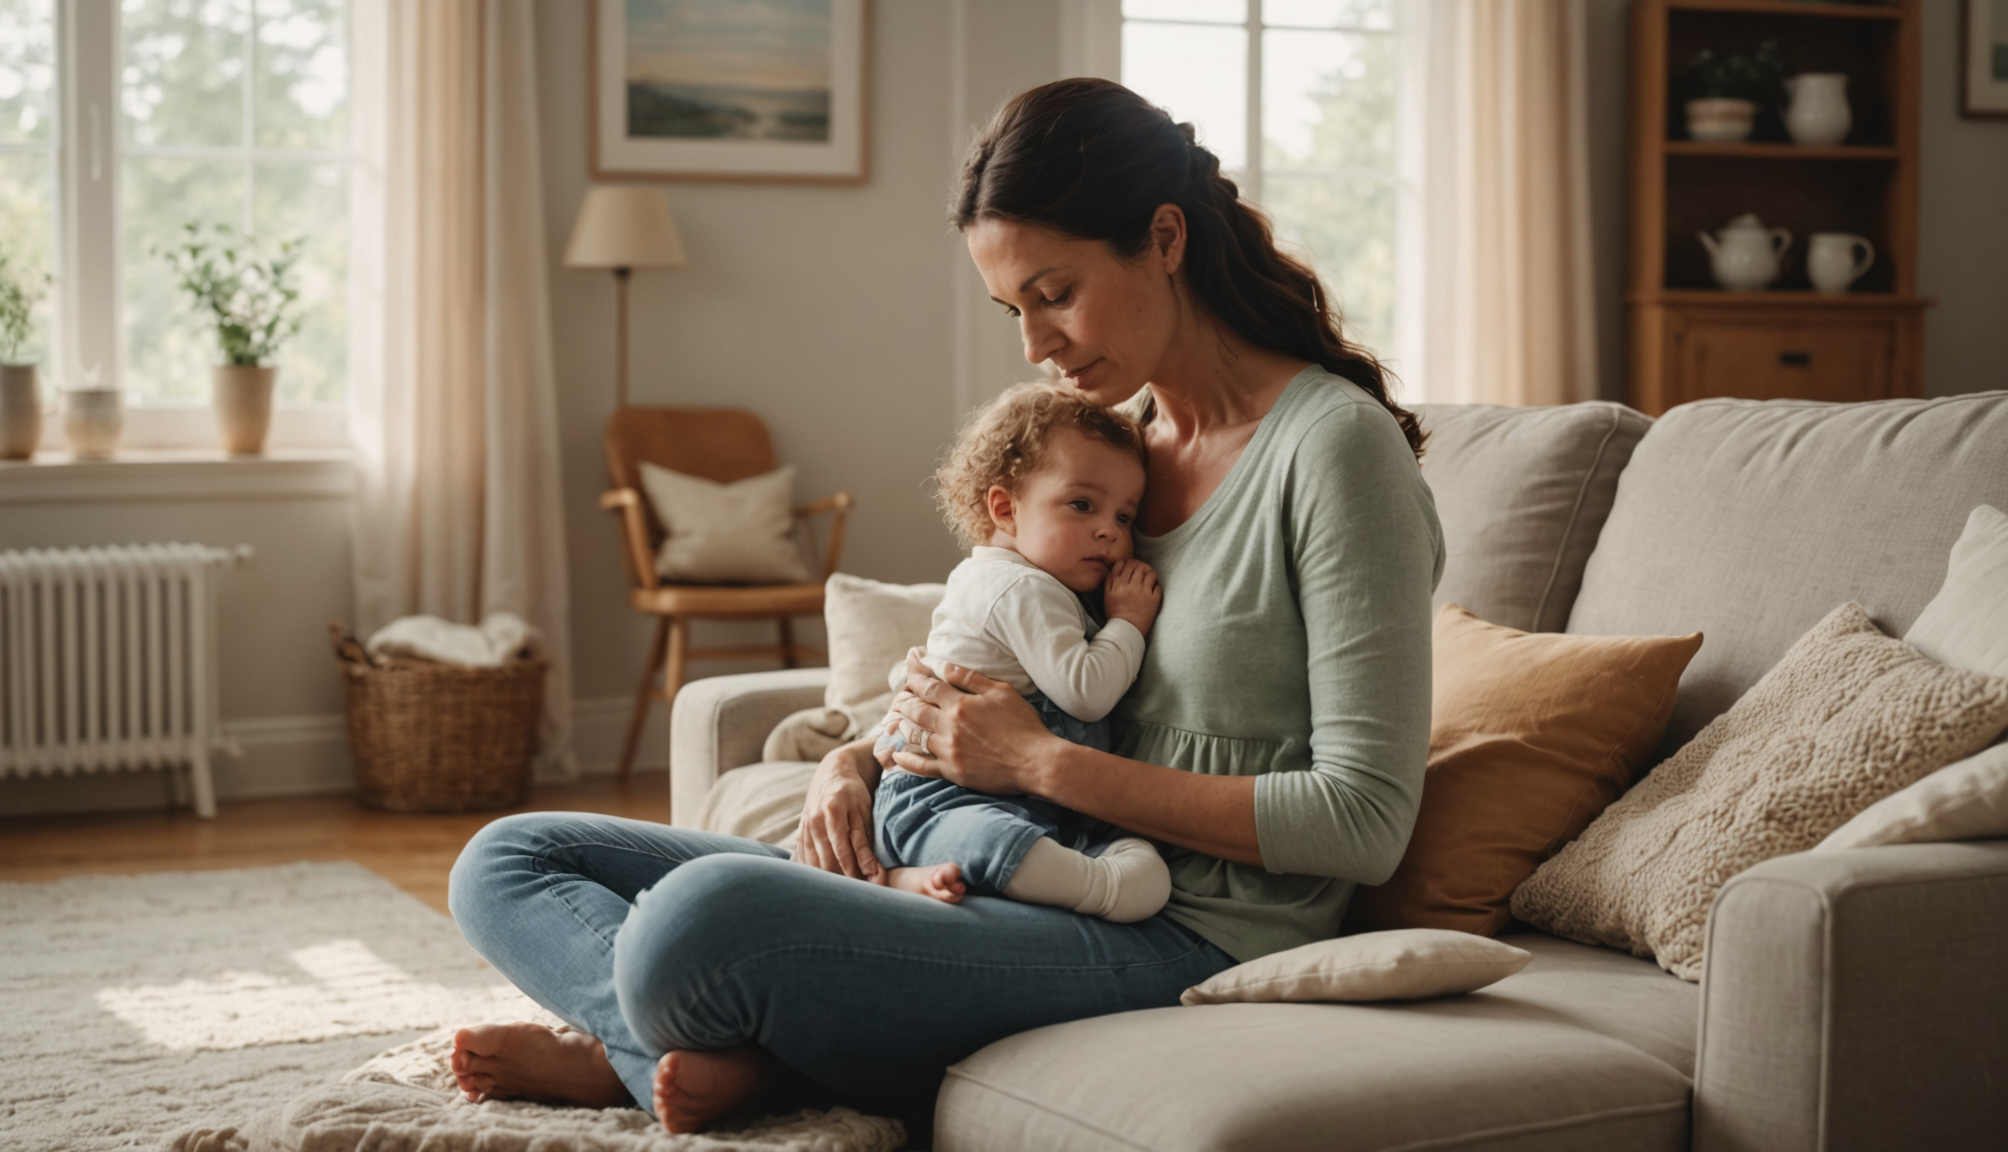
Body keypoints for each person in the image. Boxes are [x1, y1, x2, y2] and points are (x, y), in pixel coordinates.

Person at [445, 76, 1443, 1136]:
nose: (1035, 346)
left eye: (1055, 293)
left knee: (697, 922)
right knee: (506, 860)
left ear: (1163, 237)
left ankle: (677, 1050)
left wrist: (1038, 766)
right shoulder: (1114, 457)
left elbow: (1364, 823)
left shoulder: (1334, 452)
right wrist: (855, 762)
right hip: (989, 852)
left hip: (1172, 922)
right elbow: (992, 674)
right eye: (1014, 308)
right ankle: (675, 1049)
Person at [873, 380, 1172, 921]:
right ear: (1005, 509)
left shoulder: (1016, 578)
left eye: (1124, 517)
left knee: (1139, 863)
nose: (1109, 531)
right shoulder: (1021, 589)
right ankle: (1094, 889)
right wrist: (1129, 621)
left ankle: (904, 874)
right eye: (1082, 505)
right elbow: (1085, 693)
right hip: (946, 802)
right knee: (1008, 845)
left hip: (1026, 802)